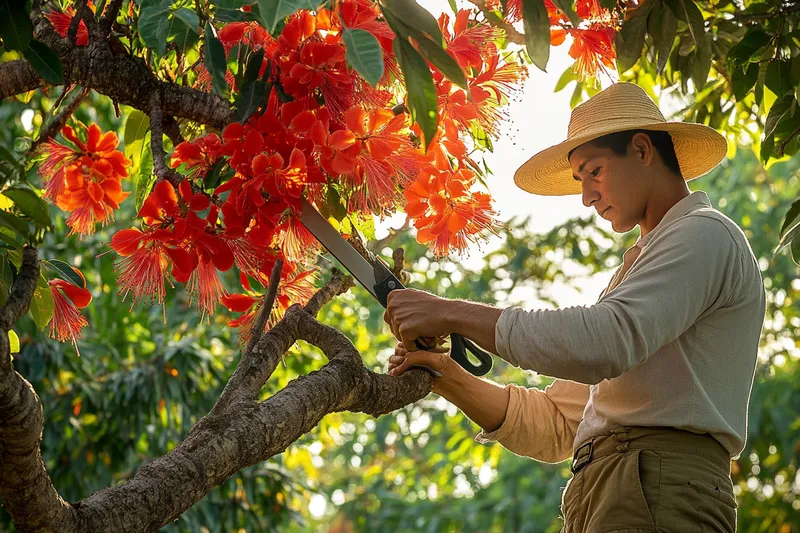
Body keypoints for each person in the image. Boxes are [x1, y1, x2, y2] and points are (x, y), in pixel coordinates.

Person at [383, 83, 766, 533]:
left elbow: (604, 340)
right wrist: (442, 374)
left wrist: (449, 312)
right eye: (580, 180)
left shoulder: (704, 235)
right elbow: (559, 424)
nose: (587, 196)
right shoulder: (641, 271)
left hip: (657, 485)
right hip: (610, 492)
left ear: (642, 150)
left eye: (595, 171)